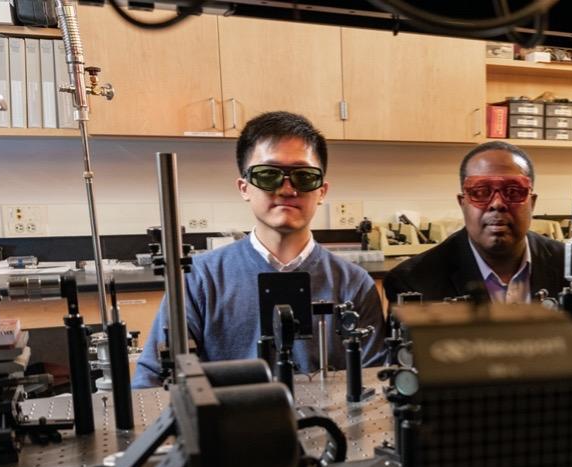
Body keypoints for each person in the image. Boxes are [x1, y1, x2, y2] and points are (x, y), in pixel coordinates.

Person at [133, 111, 384, 388]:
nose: (287, 189)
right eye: (268, 175)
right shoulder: (199, 279)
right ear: (244, 188)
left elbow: (375, 382)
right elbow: (151, 382)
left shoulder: (353, 284)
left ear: (322, 191)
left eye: (303, 176)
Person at [383, 141, 572, 344]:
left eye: (513, 191)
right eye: (481, 192)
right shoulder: (413, 282)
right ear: (462, 203)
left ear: (531, 203)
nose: (497, 204)